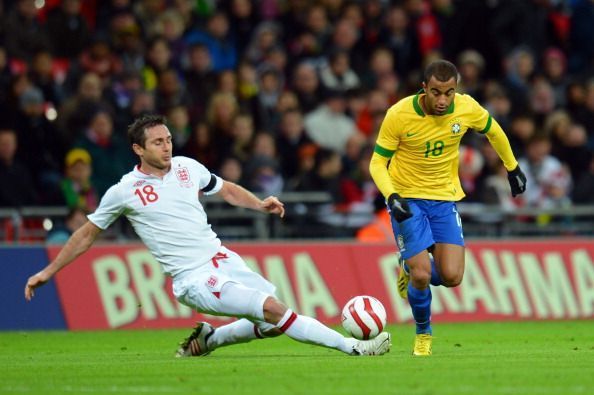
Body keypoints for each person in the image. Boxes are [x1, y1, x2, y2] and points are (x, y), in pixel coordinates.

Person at [25, 114, 391, 358]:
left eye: (168, 139)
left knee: (272, 325)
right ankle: (355, 348)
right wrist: (48, 271)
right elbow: (86, 235)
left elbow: (226, 189)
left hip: (223, 259)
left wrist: (259, 204)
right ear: (138, 149)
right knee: (275, 310)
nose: (166, 147)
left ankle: (210, 339)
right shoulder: (125, 191)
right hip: (193, 279)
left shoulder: (186, 167)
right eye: (157, 143)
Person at [369, 60, 527, 356]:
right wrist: (391, 195)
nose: (443, 100)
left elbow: (493, 130)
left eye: (449, 93)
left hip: (444, 199)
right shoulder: (399, 114)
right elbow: (378, 162)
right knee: (421, 276)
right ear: (424, 89)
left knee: (452, 277)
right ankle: (423, 335)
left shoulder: (466, 108)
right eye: (437, 92)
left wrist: (512, 167)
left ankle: (407, 264)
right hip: (407, 199)